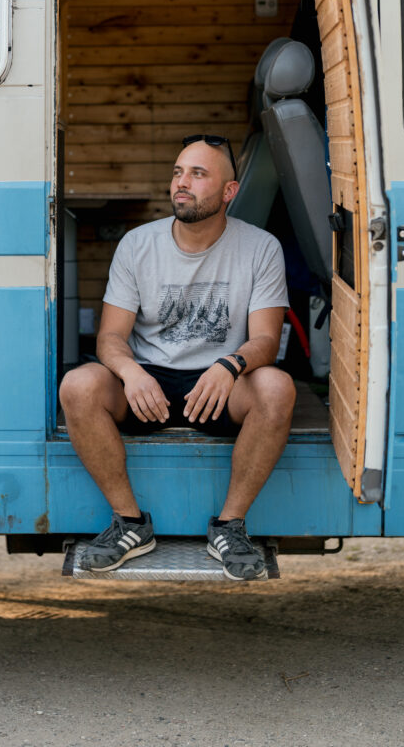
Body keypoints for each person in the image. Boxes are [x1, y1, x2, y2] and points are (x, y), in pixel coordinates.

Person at [59, 134, 295, 581]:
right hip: (148, 384)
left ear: (229, 191)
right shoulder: (137, 244)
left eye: (198, 174)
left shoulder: (261, 247)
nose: (182, 183)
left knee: (277, 387)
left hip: (220, 386)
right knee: (78, 385)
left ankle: (230, 527)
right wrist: (130, 372)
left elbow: (266, 340)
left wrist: (230, 366)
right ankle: (130, 523)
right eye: (178, 172)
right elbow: (110, 336)